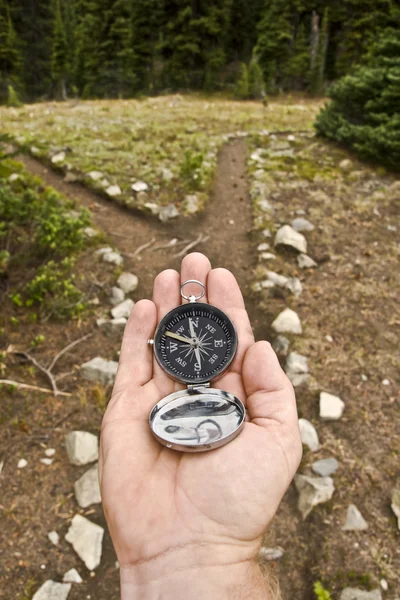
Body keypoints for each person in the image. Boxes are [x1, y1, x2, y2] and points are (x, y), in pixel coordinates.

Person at [99, 253, 302, 599]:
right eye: (184, 341)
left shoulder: (197, 345)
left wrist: (206, 557)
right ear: (159, 345)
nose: (193, 342)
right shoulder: (188, 345)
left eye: (197, 340)